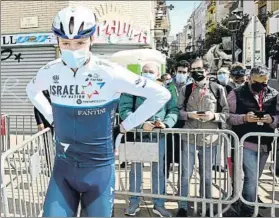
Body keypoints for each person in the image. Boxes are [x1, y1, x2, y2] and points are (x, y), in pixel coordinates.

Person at [25, 6, 171, 217]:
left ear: (92, 39)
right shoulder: (50, 70)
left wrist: (125, 126)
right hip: (63, 171)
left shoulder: (109, 72)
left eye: (80, 43)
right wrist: (53, 119)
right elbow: (31, 90)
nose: (73, 49)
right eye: (66, 43)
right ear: (56, 41)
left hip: (99, 173)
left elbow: (161, 95)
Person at [119, 62, 178, 217]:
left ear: (158, 73)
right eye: (145, 71)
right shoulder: (131, 89)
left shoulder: (166, 90)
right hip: (138, 136)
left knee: (158, 172)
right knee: (135, 171)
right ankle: (134, 203)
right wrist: (140, 124)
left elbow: (173, 110)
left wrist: (165, 123)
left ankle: (159, 204)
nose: (147, 74)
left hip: (158, 136)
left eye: (151, 71)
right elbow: (124, 110)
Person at [176, 58, 229, 217]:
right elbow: (177, 110)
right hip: (189, 138)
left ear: (206, 70)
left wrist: (213, 116)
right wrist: (188, 115)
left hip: (209, 139)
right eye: (193, 69)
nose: (196, 72)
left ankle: (206, 205)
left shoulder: (217, 89)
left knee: (206, 176)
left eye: (199, 69)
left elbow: (226, 113)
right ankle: (183, 206)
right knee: (185, 175)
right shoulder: (186, 89)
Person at [227, 66, 279, 217]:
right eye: (257, 81)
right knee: (251, 176)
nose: (261, 85)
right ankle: (249, 210)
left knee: (255, 178)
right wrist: (244, 118)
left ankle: (243, 203)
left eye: (264, 82)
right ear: (250, 78)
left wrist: (272, 119)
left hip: (265, 143)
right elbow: (227, 116)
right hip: (246, 141)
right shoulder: (236, 93)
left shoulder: (274, 94)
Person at [34, 90, 54, 176]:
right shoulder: (42, 91)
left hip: (59, 123)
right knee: (48, 146)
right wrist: (39, 122)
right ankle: (50, 168)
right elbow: (37, 106)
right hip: (47, 123)